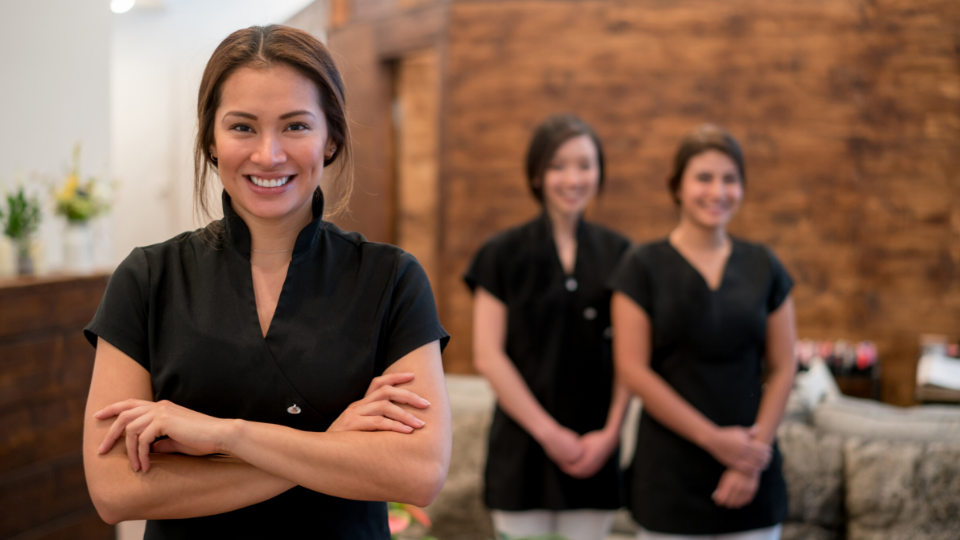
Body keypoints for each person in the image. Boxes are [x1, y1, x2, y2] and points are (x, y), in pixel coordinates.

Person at [81, 25, 451, 539]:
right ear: (211, 139)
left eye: (296, 126)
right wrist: (331, 445)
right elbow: (115, 489)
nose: (268, 154)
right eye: (243, 127)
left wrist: (223, 435)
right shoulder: (147, 279)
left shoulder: (391, 279)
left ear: (332, 138)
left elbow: (418, 472)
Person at [609, 124, 796, 540]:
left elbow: (784, 368)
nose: (718, 191)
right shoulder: (641, 267)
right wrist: (714, 440)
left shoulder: (764, 265)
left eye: (730, 179)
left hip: (752, 478)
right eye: (704, 178)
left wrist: (750, 458)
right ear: (677, 186)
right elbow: (633, 370)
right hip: (670, 478)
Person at [464, 114, 632, 540]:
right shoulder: (501, 254)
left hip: (596, 447)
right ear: (537, 174)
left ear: (600, 172)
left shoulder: (622, 255)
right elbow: (488, 355)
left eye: (585, 165)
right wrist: (550, 434)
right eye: (558, 166)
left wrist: (610, 435)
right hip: (522, 451)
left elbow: (633, 358)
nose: (573, 178)